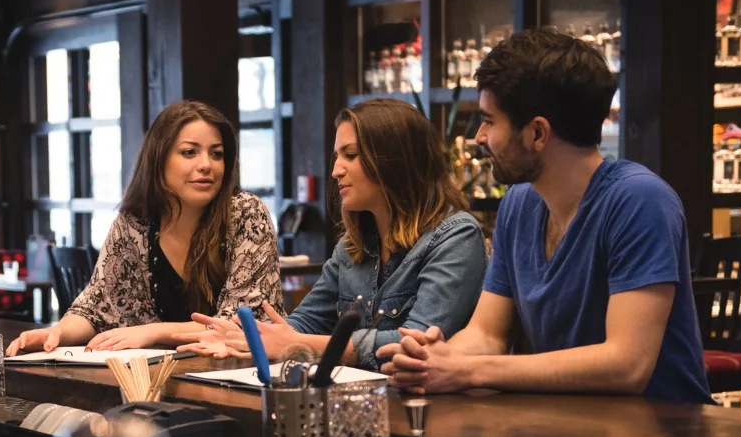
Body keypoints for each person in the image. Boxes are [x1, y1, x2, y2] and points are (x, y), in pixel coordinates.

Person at [379, 28, 711, 404]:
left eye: (489, 121)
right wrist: (432, 361)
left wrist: (468, 370)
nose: (480, 137)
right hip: (566, 425)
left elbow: (627, 364)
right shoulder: (519, 204)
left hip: (662, 430)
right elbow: (487, 334)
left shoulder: (640, 201)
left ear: (538, 133)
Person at [174, 99, 485, 369]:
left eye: (351, 155)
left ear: (395, 160)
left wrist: (294, 344)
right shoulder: (353, 246)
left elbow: (415, 345)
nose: (336, 170)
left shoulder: (455, 236)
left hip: (429, 409)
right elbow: (306, 321)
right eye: (337, 156)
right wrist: (247, 338)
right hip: (361, 401)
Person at [6, 99, 280, 355]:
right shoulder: (135, 223)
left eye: (216, 154)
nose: (206, 165)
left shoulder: (245, 213)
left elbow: (242, 324)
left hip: (240, 375)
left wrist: (151, 332)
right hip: (160, 378)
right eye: (189, 152)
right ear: (158, 159)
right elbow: (95, 308)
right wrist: (56, 333)